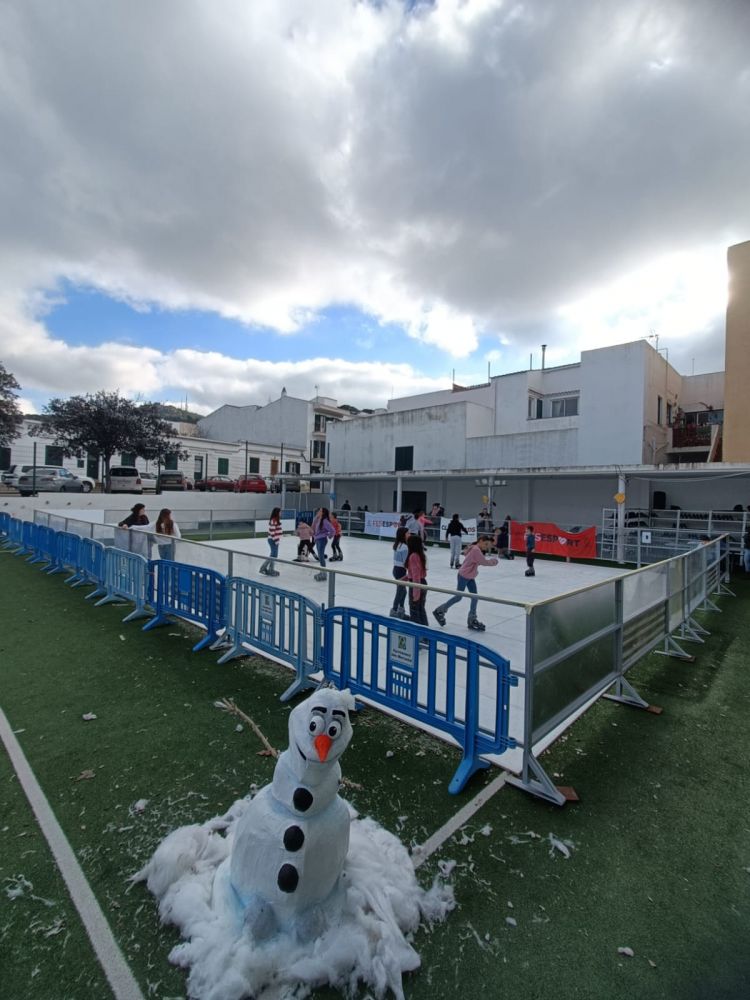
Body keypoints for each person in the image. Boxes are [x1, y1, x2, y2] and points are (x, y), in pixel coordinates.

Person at [432, 535, 498, 631]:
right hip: (464, 575)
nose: (486, 546)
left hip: (469, 576)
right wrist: (494, 561)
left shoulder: (475, 548)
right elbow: (484, 562)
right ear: (480, 541)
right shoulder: (476, 550)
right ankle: (439, 611)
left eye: (488, 545)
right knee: (459, 597)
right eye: (486, 544)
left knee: (475, 597)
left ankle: (472, 618)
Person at [404, 534, 428, 628]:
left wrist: (416, 593)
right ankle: (425, 633)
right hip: (421, 583)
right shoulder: (419, 555)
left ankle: (418, 633)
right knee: (420, 608)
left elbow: (416, 576)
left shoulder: (413, 556)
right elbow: (416, 572)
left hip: (416, 585)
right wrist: (405, 578)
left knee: (414, 609)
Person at [389, 525, 410, 618]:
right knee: (400, 591)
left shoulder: (397, 544)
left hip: (396, 569)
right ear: (403, 535)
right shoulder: (405, 547)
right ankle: (394, 610)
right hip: (401, 570)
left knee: (403, 591)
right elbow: (406, 562)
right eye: (408, 533)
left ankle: (400, 610)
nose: (409, 534)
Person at [313, 507, 335, 581]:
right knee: (320, 556)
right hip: (318, 539)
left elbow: (332, 530)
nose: (318, 512)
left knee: (321, 557)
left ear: (323, 513)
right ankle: (322, 572)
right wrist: (316, 517)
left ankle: (324, 573)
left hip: (322, 540)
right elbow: (313, 526)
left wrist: (329, 536)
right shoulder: (319, 519)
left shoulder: (325, 521)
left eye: (320, 511)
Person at [260, 507, 282, 576]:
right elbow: (272, 532)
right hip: (273, 540)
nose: (281, 513)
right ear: (277, 513)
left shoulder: (276, 520)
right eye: (280, 512)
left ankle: (270, 569)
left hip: (274, 540)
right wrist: (276, 541)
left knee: (274, 555)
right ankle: (264, 568)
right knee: (273, 555)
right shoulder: (274, 520)